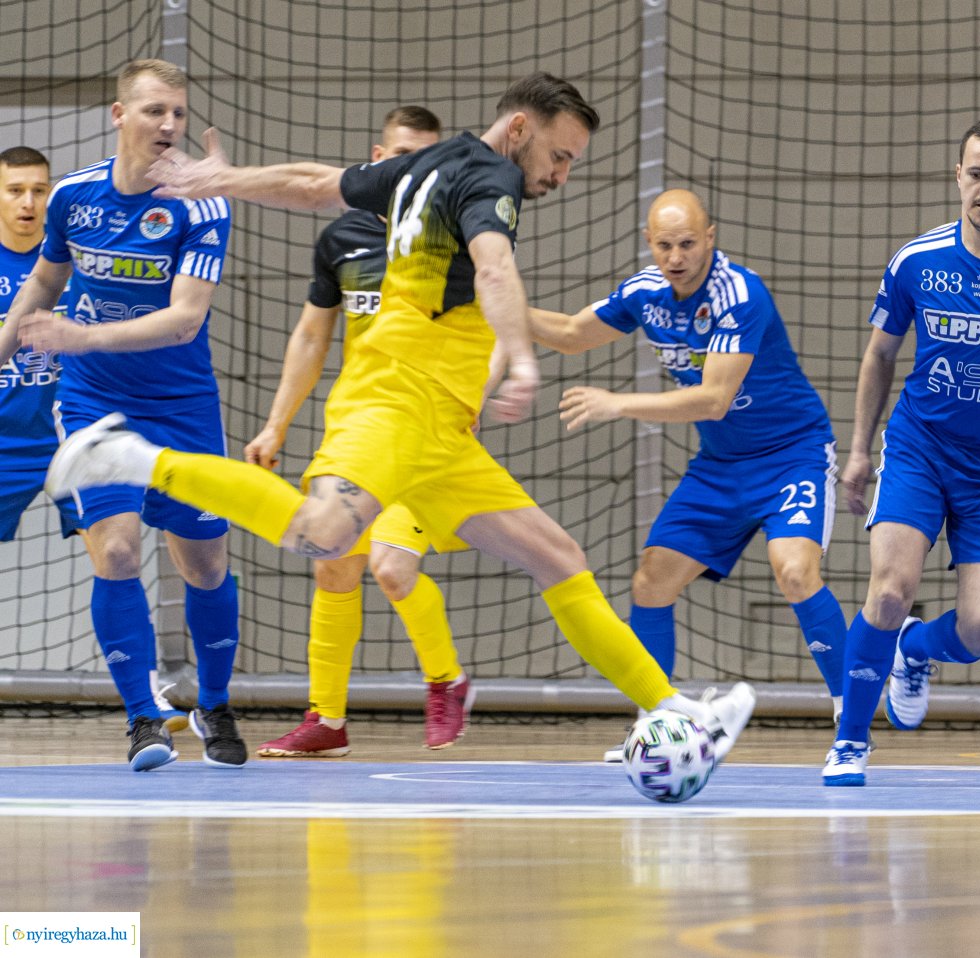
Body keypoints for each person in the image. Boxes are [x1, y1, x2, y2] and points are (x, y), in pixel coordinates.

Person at [34, 73, 754, 793]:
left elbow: (316, 184)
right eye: (559, 155)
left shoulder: (426, 165)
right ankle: (136, 459)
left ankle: (674, 710)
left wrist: (224, 178)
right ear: (520, 129)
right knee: (323, 535)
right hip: (396, 400)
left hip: (443, 429)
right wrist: (522, 357)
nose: (562, 174)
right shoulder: (492, 179)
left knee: (559, 557)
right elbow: (494, 267)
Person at [530, 188, 846, 762]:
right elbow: (573, 333)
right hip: (721, 466)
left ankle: (850, 714)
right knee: (651, 581)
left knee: (795, 571)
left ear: (710, 238)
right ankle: (657, 723)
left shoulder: (738, 295)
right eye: (665, 246)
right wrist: (494, 307)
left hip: (791, 454)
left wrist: (616, 403)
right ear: (649, 243)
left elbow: (714, 400)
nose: (676, 257)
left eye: (688, 244)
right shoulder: (645, 294)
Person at [822, 118, 980, 786]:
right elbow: (880, 355)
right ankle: (850, 741)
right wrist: (860, 451)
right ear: (957, 176)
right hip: (919, 450)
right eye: (976, 174)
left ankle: (915, 647)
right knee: (889, 590)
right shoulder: (917, 260)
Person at [4, 61, 245, 771]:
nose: (168, 125)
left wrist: (81, 336)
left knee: (205, 562)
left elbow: (184, 320)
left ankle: (215, 702)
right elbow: (46, 279)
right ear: (119, 115)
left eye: (178, 112)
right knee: (115, 551)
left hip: (181, 404)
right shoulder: (73, 196)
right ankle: (144, 719)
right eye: (153, 111)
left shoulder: (202, 205)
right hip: (93, 404)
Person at [245, 107, 478, 757]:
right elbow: (311, 336)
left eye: (427, 159)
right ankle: (327, 719)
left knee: (392, 568)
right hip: (360, 431)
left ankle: (447, 680)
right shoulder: (342, 238)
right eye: (402, 156)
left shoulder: (458, 235)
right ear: (377, 157)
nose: (413, 170)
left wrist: (474, 394)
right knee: (334, 566)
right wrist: (275, 425)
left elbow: (491, 316)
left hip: (426, 433)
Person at [0, 147, 84, 551]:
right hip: (5, 443)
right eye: (15, 190)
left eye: (39, 190)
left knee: (116, 549)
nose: (28, 203)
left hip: (71, 435)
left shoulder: (77, 259)